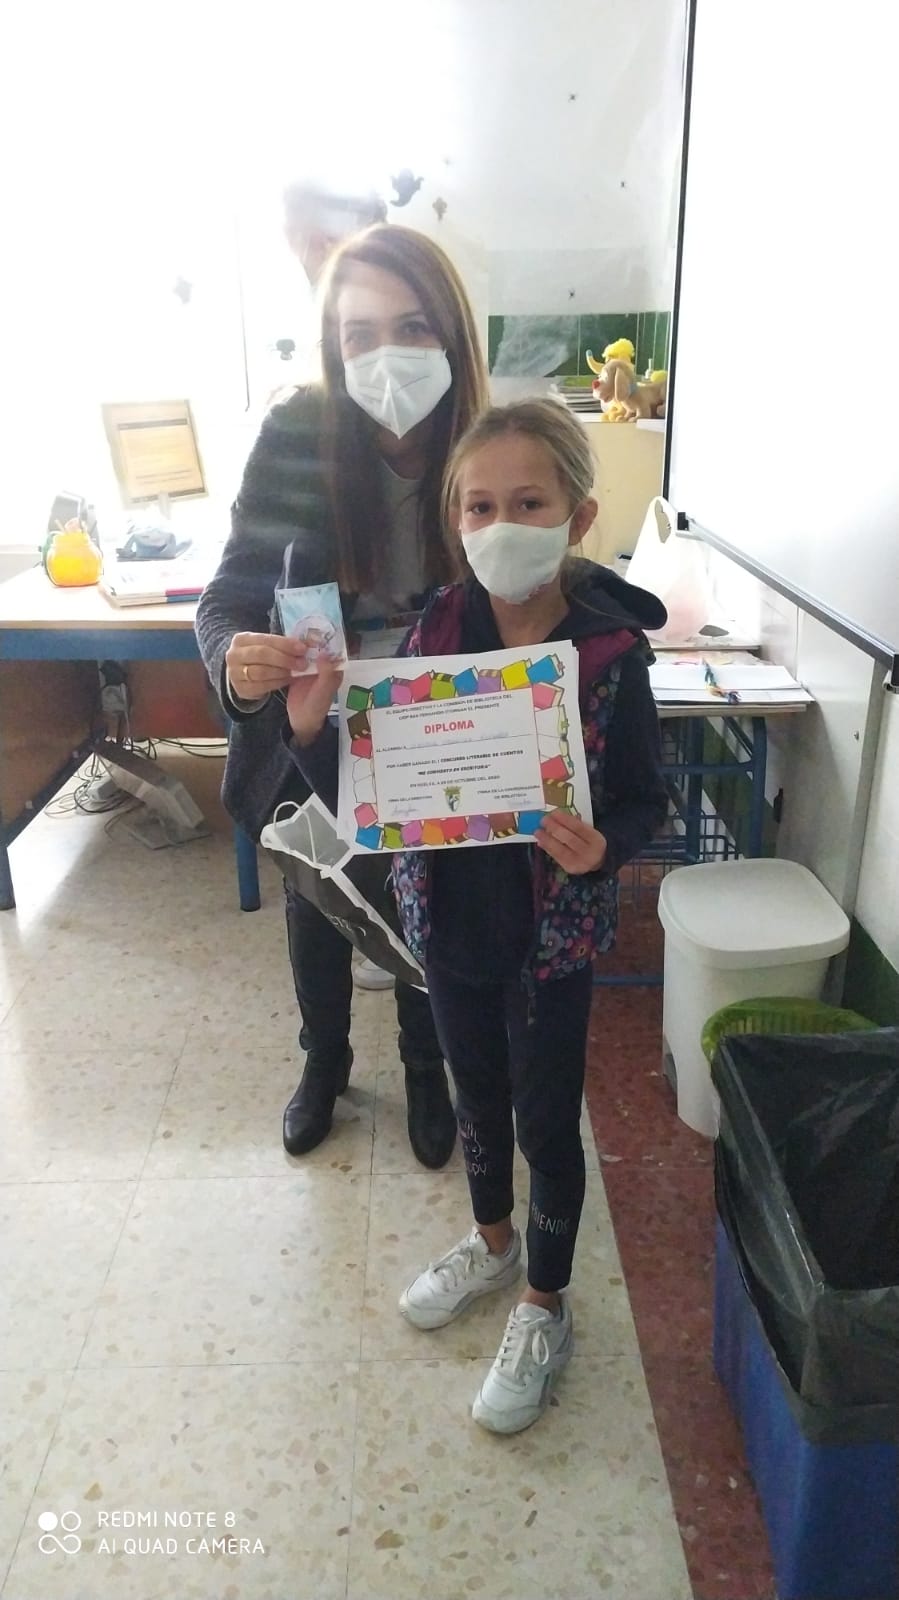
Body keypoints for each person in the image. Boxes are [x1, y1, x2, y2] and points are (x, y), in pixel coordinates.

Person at [284, 398, 669, 1433]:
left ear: (577, 517)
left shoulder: (610, 653)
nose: (502, 525)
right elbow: (374, 800)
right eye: (479, 505)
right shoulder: (436, 632)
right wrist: (312, 734)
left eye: (528, 503)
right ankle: (493, 1242)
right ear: (455, 520)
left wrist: (606, 848)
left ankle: (544, 1300)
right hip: (447, 923)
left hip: (551, 938)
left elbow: (645, 799)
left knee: (545, 1117)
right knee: (475, 1097)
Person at [195, 223, 488, 1166]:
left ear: (451, 332)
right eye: (359, 335)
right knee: (317, 896)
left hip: (434, 728)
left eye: (412, 326)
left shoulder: (483, 445)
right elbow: (227, 596)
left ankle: (424, 1065)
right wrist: (236, 661)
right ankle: (324, 1060)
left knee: (423, 897)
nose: (386, 355)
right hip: (312, 722)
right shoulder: (299, 436)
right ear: (333, 347)